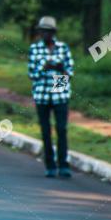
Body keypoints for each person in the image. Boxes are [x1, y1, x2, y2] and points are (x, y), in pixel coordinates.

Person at [27, 16, 75, 178]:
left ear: (53, 32)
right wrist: (44, 67)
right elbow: (32, 74)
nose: (45, 34)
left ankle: (63, 165)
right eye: (43, 31)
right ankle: (50, 165)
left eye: (49, 31)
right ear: (39, 32)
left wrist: (61, 70)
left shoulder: (63, 48)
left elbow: (70, 72)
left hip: (60, 93)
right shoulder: (35, 49)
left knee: (61, 129)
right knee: (46, 130)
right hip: (42, 94)